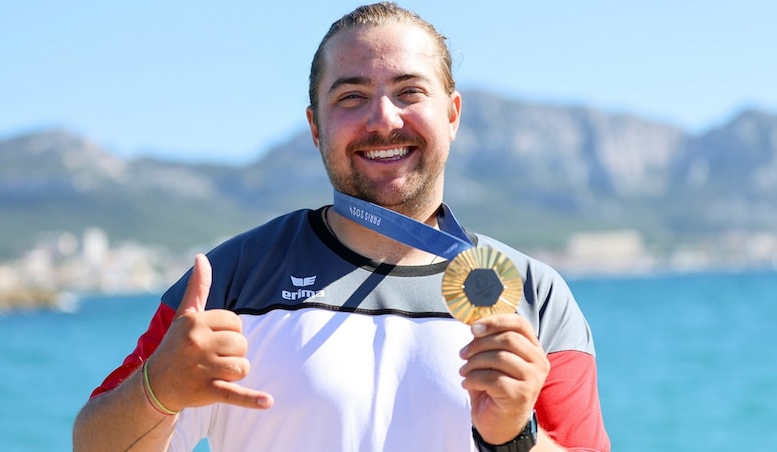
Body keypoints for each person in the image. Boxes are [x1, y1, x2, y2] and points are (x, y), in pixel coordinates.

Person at [73, 2, 610, 451]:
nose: (383, 119)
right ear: (315, 127)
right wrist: (159, 389)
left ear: (452, 114)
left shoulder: (533, 293)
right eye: (351, 97)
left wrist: (515, 438)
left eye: (409, 92)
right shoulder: (227, 280)